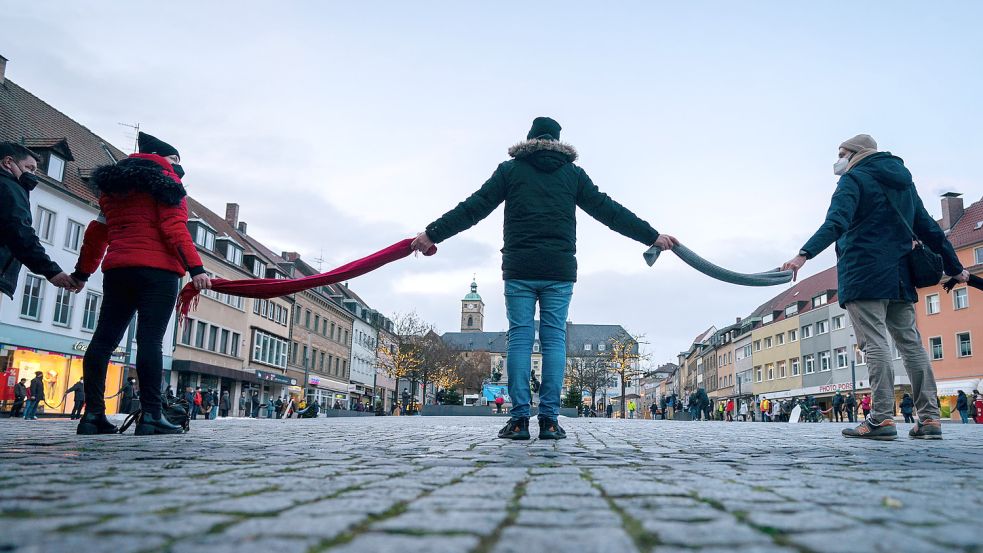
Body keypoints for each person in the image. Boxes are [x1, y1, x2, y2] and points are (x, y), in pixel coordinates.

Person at [411, 117, 674, 440]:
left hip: (520, 268)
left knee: (520, 339)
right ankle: (549, 420)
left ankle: (520, 419)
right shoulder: (572, 175)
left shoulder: (510, 171)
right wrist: (651, 235)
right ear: (559, 142)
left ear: (529, 139)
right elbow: (609, 211)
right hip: (559, 270)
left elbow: (473, 208)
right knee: (554, 341)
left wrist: (432, 234)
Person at [783, 134, 967, 441]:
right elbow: (929, 227)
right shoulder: (903, 182)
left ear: (857, 153)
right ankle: (930, 418)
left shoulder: (853, 180)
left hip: (864, 272)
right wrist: (954, 266)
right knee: (911, 345)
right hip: (899, 274)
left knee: (874, 345)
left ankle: (880, 419)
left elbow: (837, 222)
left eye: (842, 153)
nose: (838, 159)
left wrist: (803, 255)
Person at [73, 132, 211, 436]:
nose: (179, 168)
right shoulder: (166, 183)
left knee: (103, 340)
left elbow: (97, 234)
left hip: (119, 269)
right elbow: (174, 228)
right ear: (166, 159)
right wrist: (196, 268)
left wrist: (82, 274)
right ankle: (151, 416)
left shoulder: (112, 187)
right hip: (159, 272)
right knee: (150, 341)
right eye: (176, 161)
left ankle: (93, 416)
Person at [0, 143, 78, 301]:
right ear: (8, 162)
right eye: (29, 168)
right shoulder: (9, 188)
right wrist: (51, 270)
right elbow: (20, 232)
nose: (33, 175)